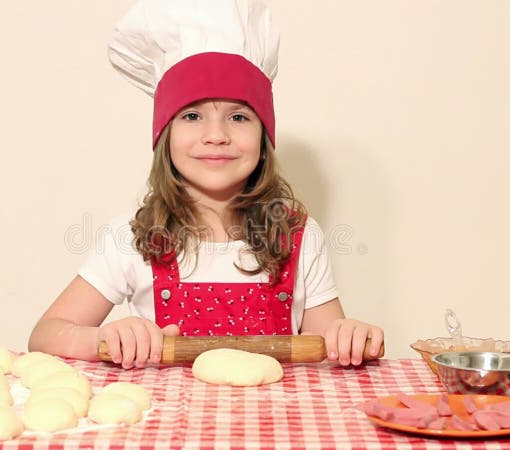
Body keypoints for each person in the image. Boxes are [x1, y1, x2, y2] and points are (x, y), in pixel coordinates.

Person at [28, 0, 384, 369]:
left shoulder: (299, 237)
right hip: (165, 425)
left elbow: (330, 344)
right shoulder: (130, 239)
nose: (216, 135)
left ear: (264, 138)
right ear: (165, 135)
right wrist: (102, 338)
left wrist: (349, 337)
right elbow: (44, 334)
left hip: (270, 422)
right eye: (193, 115)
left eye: (239, 116)